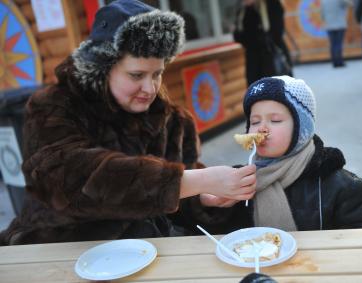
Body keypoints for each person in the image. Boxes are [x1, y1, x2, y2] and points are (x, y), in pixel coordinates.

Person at [0, 0, 257, 245]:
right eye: (137, 75)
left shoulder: (173, 122)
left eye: (157, 73)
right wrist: (192, 181)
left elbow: (173, 201)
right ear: (103, 67)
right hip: (59, 247)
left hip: (145, 250)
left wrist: (202, 198)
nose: (150, 87)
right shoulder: (54, 106)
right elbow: (67, 178)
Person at [189, 76, 362, 233]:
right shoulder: (239, 181)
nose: (262, 129)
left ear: (302, 129)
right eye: (255, 121)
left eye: (275, 120)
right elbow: (212, 232)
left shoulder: (340, 186)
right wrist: (206, 203)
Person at [233, 0, 293, 85]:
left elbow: (277, 32)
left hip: (272, 58)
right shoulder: (243, 10)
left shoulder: (271, 4)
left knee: (278, 90)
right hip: (253, 61)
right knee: (255, 92)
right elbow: (238, 36)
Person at [320, 0, 353, 67]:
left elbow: (322, 15)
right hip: (340, 25)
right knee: (338, 44)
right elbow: (350, 4)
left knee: (333, 44)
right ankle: (339, 62)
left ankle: (334, 62)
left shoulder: (324, 1)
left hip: (329, 25)